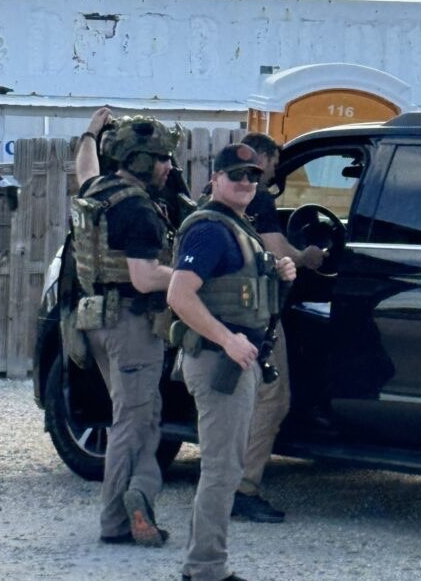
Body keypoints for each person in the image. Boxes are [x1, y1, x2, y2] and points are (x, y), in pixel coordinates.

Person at [167, 143, 296, 581]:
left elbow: (238, 289)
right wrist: (228, 340)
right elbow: (179, 295)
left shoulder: (236, 226)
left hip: (233, 359)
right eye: (236, 175)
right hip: (218, 361)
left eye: (252, 176)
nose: (246, 182)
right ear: (214, 180)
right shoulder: (209, 229)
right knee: (222, 470)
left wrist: (276, 273)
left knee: (225, 468)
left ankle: (204, 565)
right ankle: (205, 569)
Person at [73, 107, 180, 546]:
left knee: (141, 416)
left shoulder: (99, 189)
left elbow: (83, 166)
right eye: (160, 158)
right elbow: (143, 276)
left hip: (96, 321)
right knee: (133, 424)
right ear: (138, 161)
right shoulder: (137, 208)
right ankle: (117, 520)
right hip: (132, 325)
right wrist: (191, 279)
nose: (169, 166)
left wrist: (89, 133)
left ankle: (141, 496)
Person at [230, 132, 327, 523]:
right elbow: (275, 250)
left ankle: (223, 483)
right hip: (257, 314)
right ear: (267, 157)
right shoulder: (261, 196)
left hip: (222, 310)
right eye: (274, 162)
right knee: (272, 399)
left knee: (233, 403)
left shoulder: (218, 193)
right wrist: (308, 256)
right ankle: (242, 488)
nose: (271, 172)